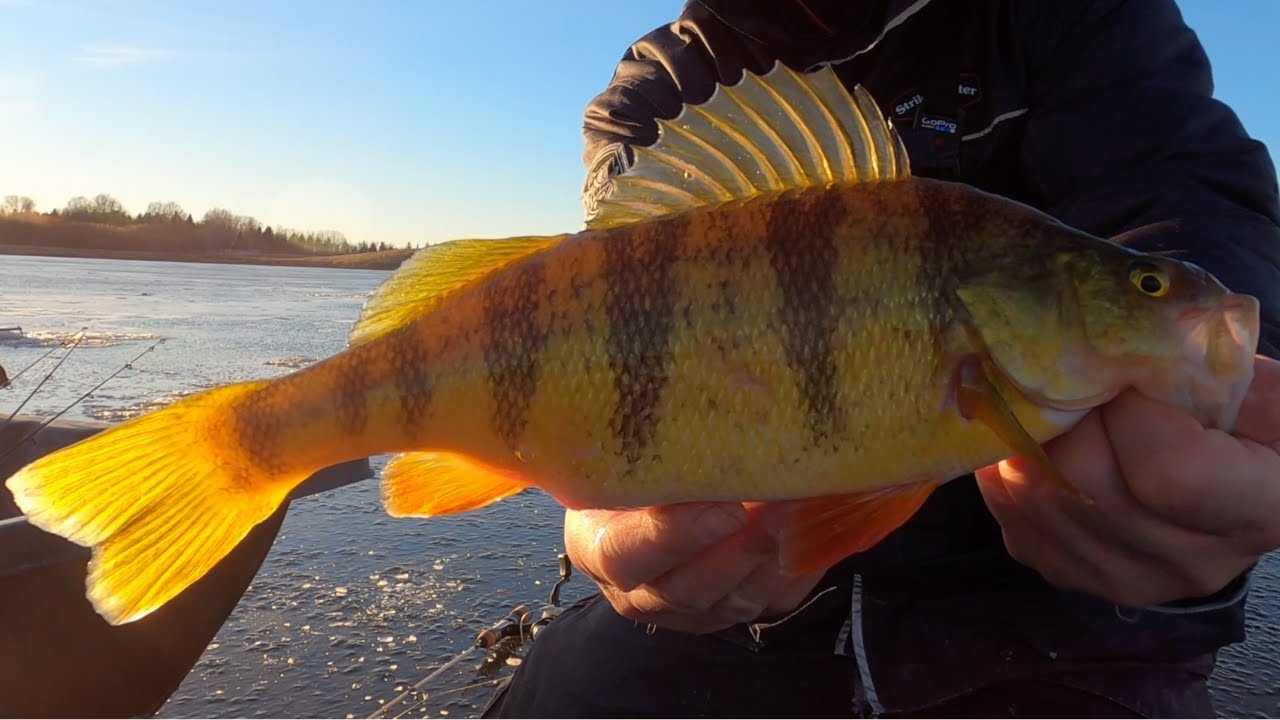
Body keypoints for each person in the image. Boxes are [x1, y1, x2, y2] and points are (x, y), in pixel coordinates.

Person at [483, 0, 1280, 716]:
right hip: (735, 616)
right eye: (1144, 291)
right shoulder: (659, 86)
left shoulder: (1074, 17)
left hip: (1054, 625)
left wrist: (1225, 430)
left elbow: (1191, 210)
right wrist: (605, 503)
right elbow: (607, 317)